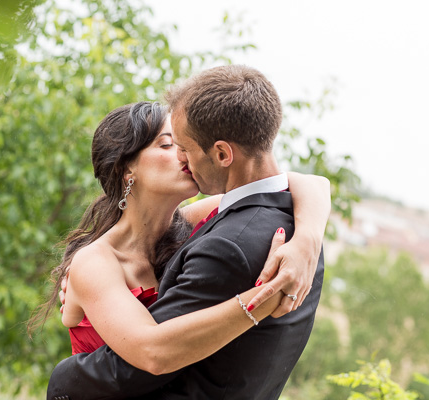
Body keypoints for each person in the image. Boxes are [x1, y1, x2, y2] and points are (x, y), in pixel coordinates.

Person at [47, 65, 329, 400]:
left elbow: (301, 183)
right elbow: (152, 352)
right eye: (169, 145)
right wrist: (262, 301)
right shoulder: (95, 262)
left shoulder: (193, 221)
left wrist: (308, 240)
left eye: (185, 145)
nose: (184, 155)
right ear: (128, 170)